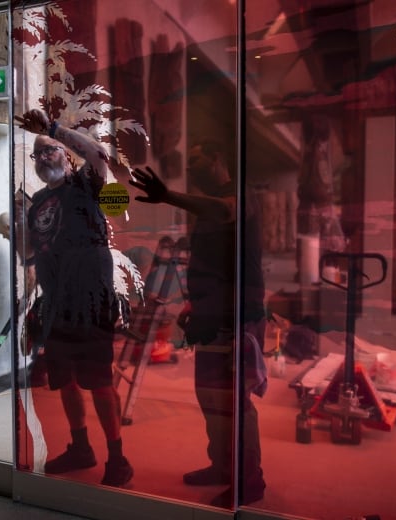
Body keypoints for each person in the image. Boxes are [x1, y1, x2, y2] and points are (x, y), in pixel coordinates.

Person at [130, 139, 267, 507]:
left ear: (219, 155)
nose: (194, 169)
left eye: (198, 160)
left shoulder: (242, 195)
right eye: (190, 166)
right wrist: (193, 301)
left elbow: (226, 212)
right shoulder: (204, 205)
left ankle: (250, 481)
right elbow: (210, 259)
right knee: (210, 394)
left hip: (239, 312)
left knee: (234, 400)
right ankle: (223, 467)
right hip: (210, 311)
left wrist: (169, 196)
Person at [12, 108, 132, 487]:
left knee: (97, 381)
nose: (45, 156)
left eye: (51, 150)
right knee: (62, 380)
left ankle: (118, 457)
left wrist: (52, 129)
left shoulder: (85, 185)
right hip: (55, 304)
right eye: (38, 153)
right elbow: (29, 257)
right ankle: (81, 447)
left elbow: (98, 154)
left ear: (66, 155)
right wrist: (17, 227)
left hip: (92, 301)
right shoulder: (36, 205)